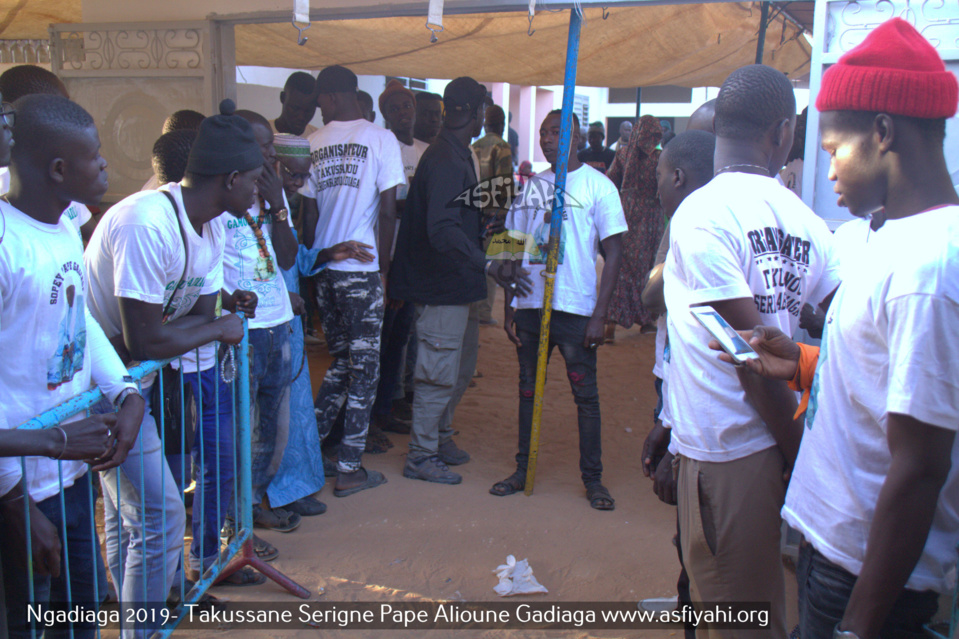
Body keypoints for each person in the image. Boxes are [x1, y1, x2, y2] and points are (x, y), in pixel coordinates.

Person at [727, 20, 959, 639]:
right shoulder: (887, 239)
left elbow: (921, 465)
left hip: (866, 579)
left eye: (833, 151)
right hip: (833, 547)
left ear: (882, 132)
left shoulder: (929, 269)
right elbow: (883, 379)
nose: (828, 171)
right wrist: (802, 362)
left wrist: (857, 628)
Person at [663, 64, 841, 637]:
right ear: (783, 132)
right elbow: (848, 327)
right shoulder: (810, 223)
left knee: (739, 619)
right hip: (767, 440)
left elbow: (748, 362)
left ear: (718, 124)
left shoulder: (701, 215)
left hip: (729, 450)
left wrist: (800, 457)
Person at [84, 99, 255, 635]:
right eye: (254, 179)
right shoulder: (145, 221)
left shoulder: (213, 225)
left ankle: (134, 619)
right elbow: (149, 337)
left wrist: (210, 324)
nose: (260, 191)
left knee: (132, 518)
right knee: (159, 515)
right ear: (230, 179)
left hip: (135, 381)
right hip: (95, 387)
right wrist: (219, 328)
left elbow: (194, 318)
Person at [0, 93, 145, 639]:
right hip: (19, 492)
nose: (105, 164)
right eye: (96, 154)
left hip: (72, 472)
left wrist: (127, 392)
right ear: (59, 169)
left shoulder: (65, 225)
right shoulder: (6, 246)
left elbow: (77, 319)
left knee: (79, 619)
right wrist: (15, 505)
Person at [390, 77, 529, 484]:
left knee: (459, 367)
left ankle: (440, 436)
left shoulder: (458, 152)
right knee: (437, 370)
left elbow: (456, 218)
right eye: (483, 107)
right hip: (440, 286)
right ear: (473, 111)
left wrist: (488, 228)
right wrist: (489, 265)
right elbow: (442, 230)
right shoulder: (446, 159)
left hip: (457, 283)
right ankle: (421, 455)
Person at [489, 109, 626, 510]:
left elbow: (615, 252)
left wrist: (600, 314)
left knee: (585, 395)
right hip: (532, 303)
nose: (547, 139)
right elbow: (512, 243)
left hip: (575, 307)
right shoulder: (532, 186)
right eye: (543, 132)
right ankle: (521, 469)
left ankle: (593, 480)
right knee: (528, 390)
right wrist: (510, 304)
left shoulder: (599, 187)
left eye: (556, 132)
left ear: (575, 137)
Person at [301, 65, 405, 496]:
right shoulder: (381, 139)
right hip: (361, 272)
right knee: (365, 371)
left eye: (320, 101)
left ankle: (310, 450)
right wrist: (384, 270)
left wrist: (312, 268)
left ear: (331, 97)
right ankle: (349, 468)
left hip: (325, 270)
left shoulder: (313, 144)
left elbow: (308, 215)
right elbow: (388, 210)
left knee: (344, 362)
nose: (318, 109)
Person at [267, 133, 374, 517]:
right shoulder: (260, 207)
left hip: (288, 325)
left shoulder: (279, 204)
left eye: (303, 176)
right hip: (269, 325)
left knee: (292, 408)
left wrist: (329, 253)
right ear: (272, 166)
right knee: (271, 415)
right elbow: (268, 264)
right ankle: (273, 493)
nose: (299, 184)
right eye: (293, 175)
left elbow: (293, 259)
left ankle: (293, 485)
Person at [637, 129, 716, 637]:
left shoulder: (695, 224)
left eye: (661, 176)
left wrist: (673, 433)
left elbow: (650, 296)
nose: (657, 185)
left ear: (680, 177)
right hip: (678, 392)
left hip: (693, 403)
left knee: (698, 525)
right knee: (691, 526)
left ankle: (694, 604)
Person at [217, 109, 305, 551]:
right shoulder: (220, 197)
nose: (272, 153)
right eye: (263, 145)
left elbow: (287, 258)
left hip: (276, 325)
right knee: (237, 429)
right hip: (242, 332)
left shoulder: (270, 194)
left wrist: (277, 208)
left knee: (272, 429)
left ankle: (251, 505)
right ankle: (231, 526)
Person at [369, 80, 430, 442]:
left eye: (406, 105)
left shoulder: (424, 152)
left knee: (399, 340)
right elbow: (383, 206)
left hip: (412, 259)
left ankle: (386, 409)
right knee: (380, 340)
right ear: (385, 115)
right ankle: (372, 417)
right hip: (387, 257)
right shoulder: (382, 146)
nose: (402, 113)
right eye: (394, 108)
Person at [0, 65, 97, 242]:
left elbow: (91, 233)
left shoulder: (59, 177)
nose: (70, 116)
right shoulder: (8, 187)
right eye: (61, 108)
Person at [605, 115, 666, 336]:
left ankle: (612, 319)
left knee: (622, 266)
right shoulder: (661, 158)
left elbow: (610, 181)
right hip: (652, 219)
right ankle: (647, 319)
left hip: (626, 216)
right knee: (651, 267)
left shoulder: (622, 154)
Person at [472, 104, 514, 327]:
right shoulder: (502, 146)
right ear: (502, 125)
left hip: (473, 214)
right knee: (491, 265)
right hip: (493, 216)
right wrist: (505, 216)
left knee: (476, 262)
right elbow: (504, 184)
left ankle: (474, 309)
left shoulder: (473, 146)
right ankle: (484, 312)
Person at [272, 71, 318, 138]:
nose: (301, 117)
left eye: (308, 111)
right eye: (295, 108)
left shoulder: (318, 139)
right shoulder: (260, 134)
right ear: (283, 98)